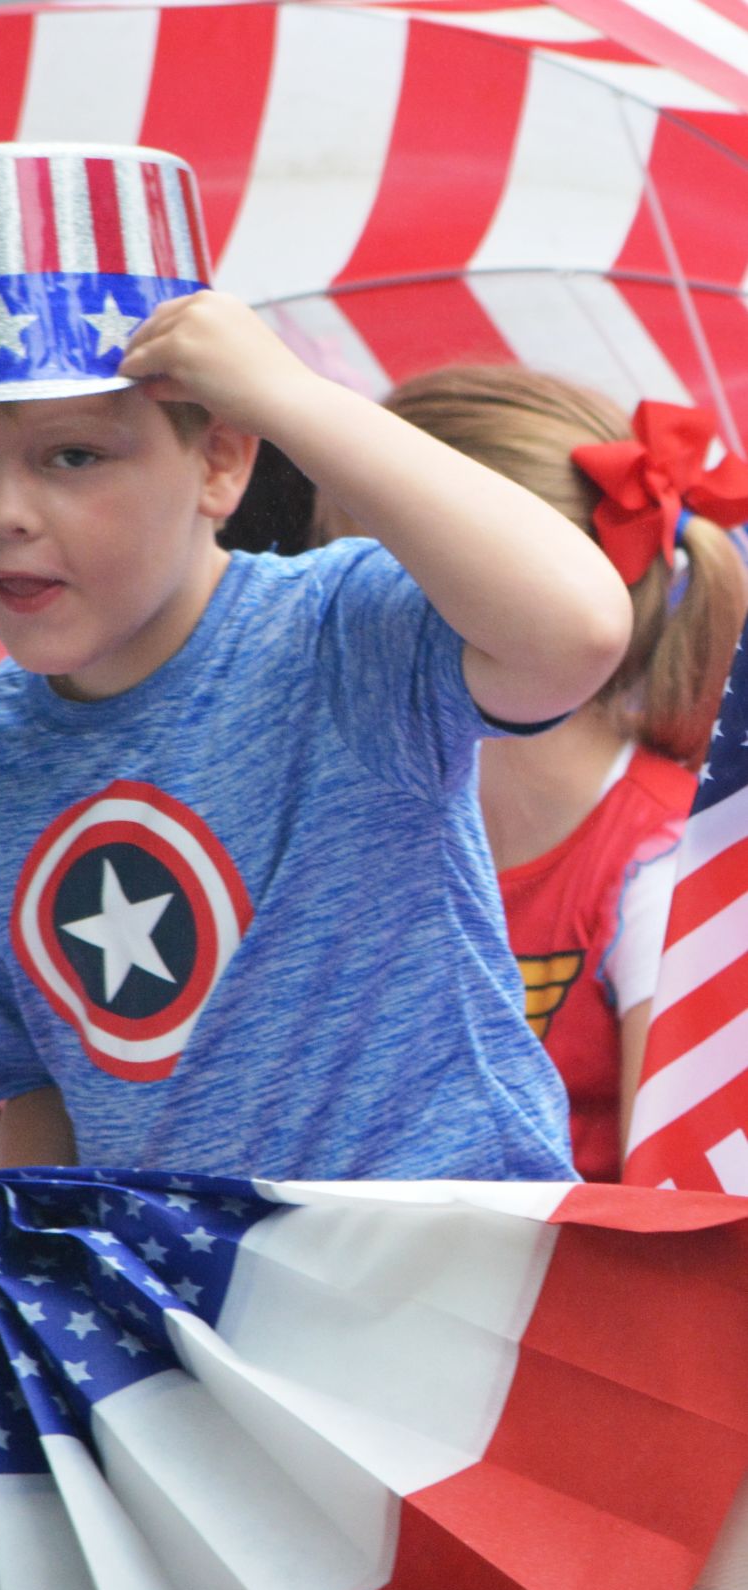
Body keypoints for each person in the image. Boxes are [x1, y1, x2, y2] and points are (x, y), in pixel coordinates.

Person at [0, 141, 631, 1182]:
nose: (4, 515)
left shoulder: (339, 631)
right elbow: (41, 1093)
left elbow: (578, 629)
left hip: (446, 1292)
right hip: (188, 1316)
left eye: (72, 455)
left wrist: (288, 395)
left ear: (223, 460)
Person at [314, 368, 748, 1182]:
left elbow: (677, 1219)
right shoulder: (340, 829)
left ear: (484, 592)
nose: (315, 606)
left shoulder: (667, 873)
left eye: (351, 567)